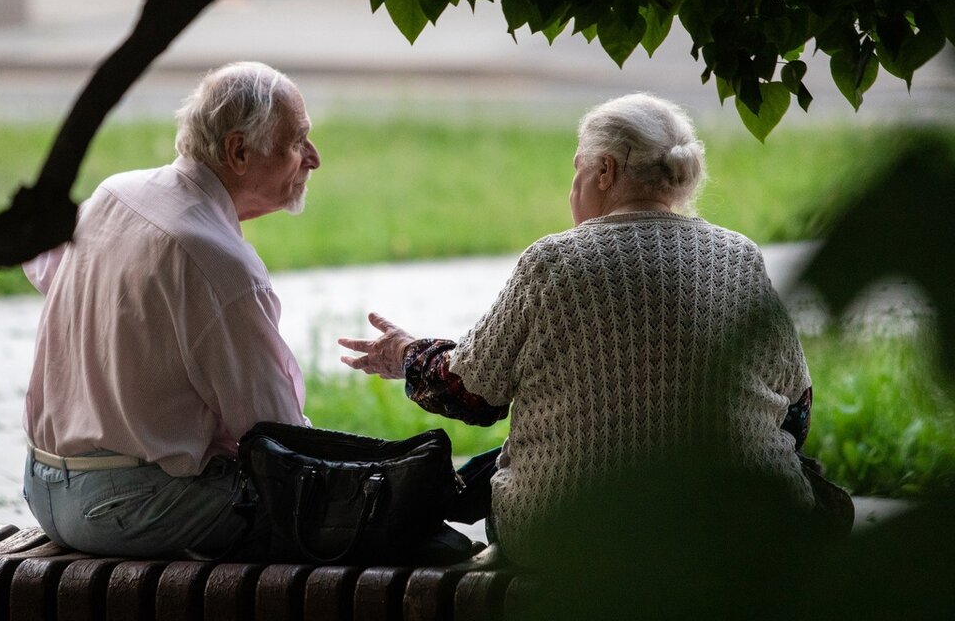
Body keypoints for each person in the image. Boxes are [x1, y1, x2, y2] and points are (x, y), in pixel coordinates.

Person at [338, 92, 841, 567]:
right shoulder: (739, 257)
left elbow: (469, 394)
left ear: (605, 170)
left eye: (576, 169)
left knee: (502, 468)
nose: (572, 188)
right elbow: (796, 411)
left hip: (565, 536)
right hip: (737, 530)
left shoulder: (554, 261)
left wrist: (406, 353)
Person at [22, 61, 321, 559]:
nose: (313, 158)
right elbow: (275, 434)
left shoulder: (115, 193)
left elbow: (46, 271)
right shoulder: (218, 263)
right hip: (125, 507)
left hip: (42, 485)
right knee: (316, 508)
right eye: (297, 141)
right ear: (238, 151)